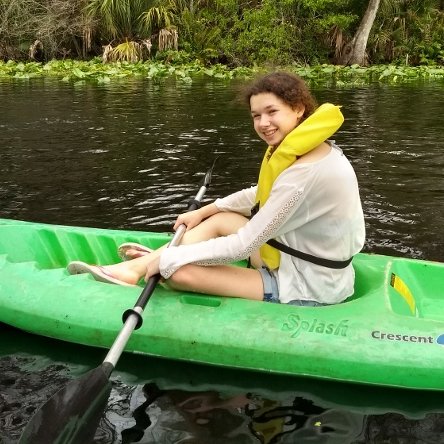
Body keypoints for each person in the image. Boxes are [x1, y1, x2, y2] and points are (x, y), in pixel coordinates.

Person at [68, 71, 365, 305]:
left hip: (307, 285)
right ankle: (141, 266)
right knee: (221, 219)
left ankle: (152, 262)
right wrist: (205, 211)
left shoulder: (303, 173)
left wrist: (172, 260)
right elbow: (259, 194)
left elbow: (243, 245)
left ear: (298, 108)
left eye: (272, 112)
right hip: (295, 257)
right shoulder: (310, 149)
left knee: (177, 272)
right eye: (256, 116)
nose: (263, 123)